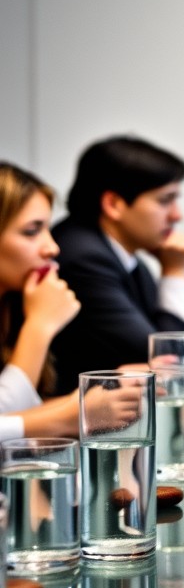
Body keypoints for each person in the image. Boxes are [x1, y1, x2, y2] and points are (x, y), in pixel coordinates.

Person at [0, 162, 139, 440]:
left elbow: (11, 415)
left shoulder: (15, 305)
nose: (52, 248)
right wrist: (40, 325)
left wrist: (94, 397)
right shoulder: (35, 308)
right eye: (31, 231)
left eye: (47, 229)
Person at [49, 136, 184, 393]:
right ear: (113, 204)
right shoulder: (83, 256)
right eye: (165, 200)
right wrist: (175, 272)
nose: (177, 215)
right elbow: (165, 360)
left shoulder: (124, 257)